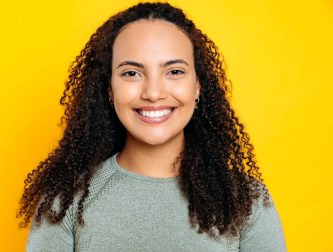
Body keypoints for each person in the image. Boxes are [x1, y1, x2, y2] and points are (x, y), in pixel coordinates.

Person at [17, 2, 286, 251]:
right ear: (110, 90)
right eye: (131, 73)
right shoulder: (65, 200)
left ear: (197, 87)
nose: (153, 92)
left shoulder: (245, 200)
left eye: (175, 71)